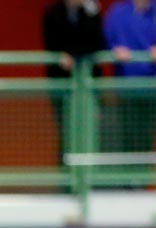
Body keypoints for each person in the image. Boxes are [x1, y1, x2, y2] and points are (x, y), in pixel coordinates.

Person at [42, 0, 106, 164]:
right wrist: (66, 53)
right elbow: (52, 43)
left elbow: (96, 43)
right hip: (61, 83)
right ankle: (67, 175)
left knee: (90, 129)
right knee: (66, 131)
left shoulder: (91, 13)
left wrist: (93, 13)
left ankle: (89, 177)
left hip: (89, 85)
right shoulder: (52, 13)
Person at [104, 0, 156, 157]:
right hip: (125, 86)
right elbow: (106, 40)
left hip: (151, 86)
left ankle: (141, 180)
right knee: (127, 135)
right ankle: (128, 180)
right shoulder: (118, 12)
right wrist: (115, 50)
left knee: (147, 137)